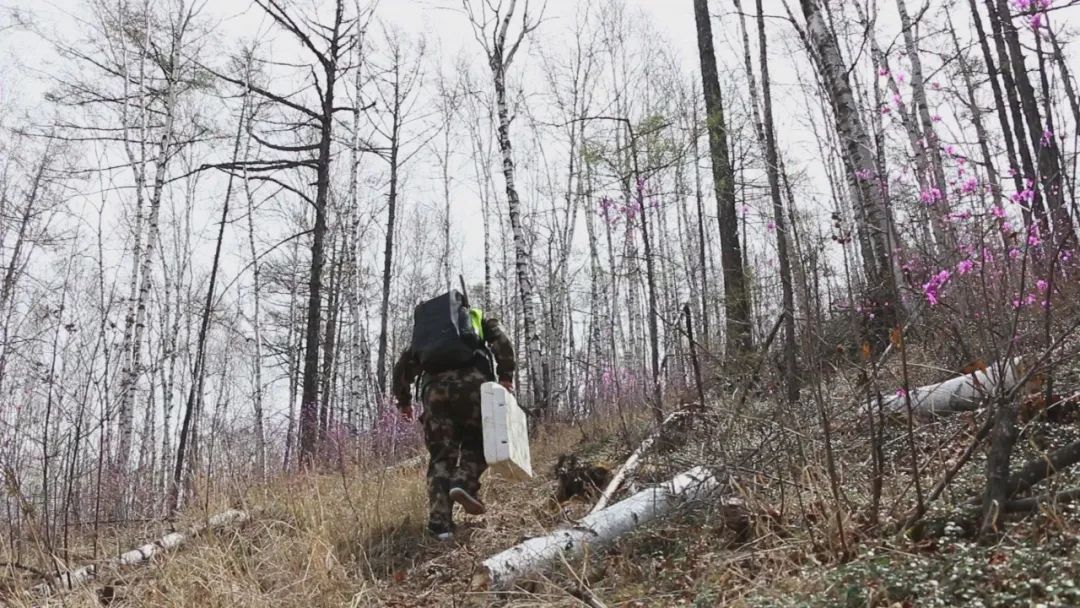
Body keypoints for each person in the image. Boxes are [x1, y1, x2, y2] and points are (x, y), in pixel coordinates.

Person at [391, 301, 516, 540]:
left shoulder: (427, 336)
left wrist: (404, 401)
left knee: (441, 457)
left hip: (434, 393)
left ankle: (441, 527)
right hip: (472, 387)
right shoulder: (476, 317)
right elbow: (501, 341)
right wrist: (506, 376)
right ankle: (463, 481)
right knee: (481, 440)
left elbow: (403, 367)